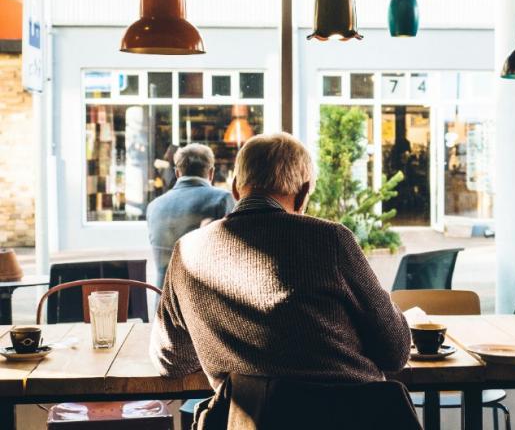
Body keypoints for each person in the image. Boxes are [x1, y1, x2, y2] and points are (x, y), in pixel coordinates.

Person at [150, 132, 411, 389]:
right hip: (353, 416)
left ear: (235, 189)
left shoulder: (187, 252)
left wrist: (222, 342)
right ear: (303, 193)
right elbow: (395, 351)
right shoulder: (330, 240)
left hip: (248, 420)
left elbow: (170, 361)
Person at [146, 143, 234, 288]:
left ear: (177, 173)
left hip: (163, 302)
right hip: (203, 302)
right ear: (211, 172)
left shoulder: (154, 206)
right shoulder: (222, 199)